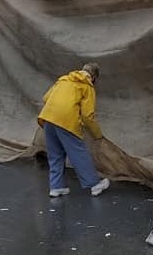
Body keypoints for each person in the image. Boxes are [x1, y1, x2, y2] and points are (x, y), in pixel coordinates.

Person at [37, 62, 110, 197]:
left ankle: (56, 187)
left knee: (55, 155)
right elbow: (87, 116)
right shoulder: (87, 87)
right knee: (79, 153)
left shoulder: (64, 79)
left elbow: (45, 98)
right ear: (93, 77)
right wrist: (97, 135)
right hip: (66, 121)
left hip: (48, 118)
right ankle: (94, 185)